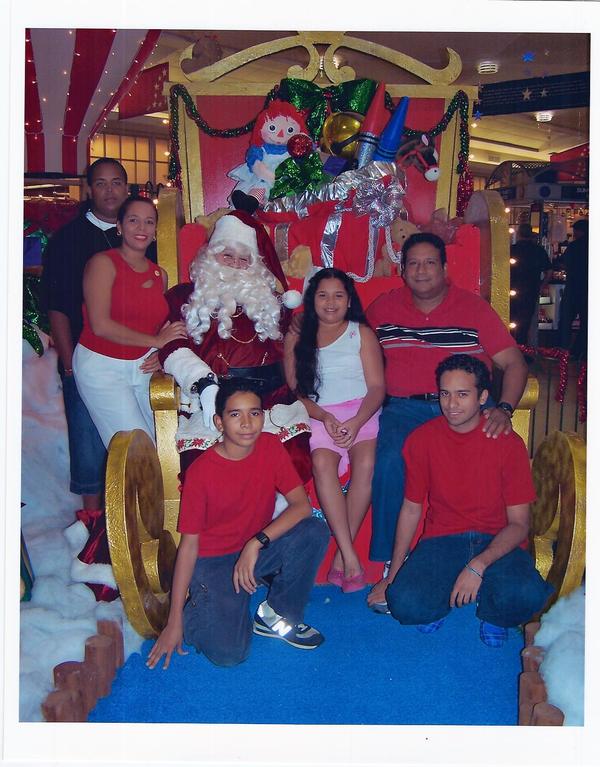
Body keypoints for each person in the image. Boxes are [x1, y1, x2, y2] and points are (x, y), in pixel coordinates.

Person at [366, 232, 528, 610]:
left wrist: (504, 408)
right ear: (402, 270)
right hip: (404, 409)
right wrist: (303, 330)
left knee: (491, 457)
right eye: (413, 263)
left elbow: (514, 363)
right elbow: (344, 336)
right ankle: (393, 563)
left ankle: (490, 559)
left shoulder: (473, 309)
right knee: (388, 461)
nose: (421, 270)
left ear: (444, 267)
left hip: (466, 408)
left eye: (430, 263)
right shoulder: (383, 308)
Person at [367, 354, 553, 646]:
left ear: (483, 397)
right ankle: (442, 597)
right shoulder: (421, 439)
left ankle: (492, 612)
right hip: (443, 538)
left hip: (498, 540)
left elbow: (519, 525)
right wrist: (394, 574)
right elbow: (411, 509)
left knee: (527, 595)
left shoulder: (507, 442)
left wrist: (478, 564)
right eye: (445, 394)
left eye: (462, 394)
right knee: (404, 604)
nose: (451, 404)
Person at [146, 379, 329, 669]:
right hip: (214, 563)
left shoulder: (270, 446)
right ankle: (199, 610)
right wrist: (174, 621)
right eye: (235, 414)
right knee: (230, 654)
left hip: (254, 551)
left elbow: (301, 506)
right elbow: (189, 547)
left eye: (254, 413)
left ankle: (277, 614)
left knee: (314, 531)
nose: (246, 423)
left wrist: (256, 542)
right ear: (219, 422)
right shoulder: (201, 473)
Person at [158, 210, 311, 484]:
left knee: (291, 466)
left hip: (271, 402)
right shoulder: (183, 297)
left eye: (244, 259)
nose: (236, 265)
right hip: (212, 400)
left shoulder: (271, 302)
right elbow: (172, 345)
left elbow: (299, 346)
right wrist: (203, 383)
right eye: (227, 256)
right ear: (210, 257)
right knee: (207, 475)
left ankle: (274, 509)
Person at [43, 158, 158, 515]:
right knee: (89, 444)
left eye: (117, 182)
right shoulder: (69, 239)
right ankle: (95, 523)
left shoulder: (145, 240)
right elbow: (57, 304)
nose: (110, 191)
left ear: (127, 187)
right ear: (89, 189)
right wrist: (68, 363)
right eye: (101, 183)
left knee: (141, 441)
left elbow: (158, 308)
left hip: (136, 360)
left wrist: (159, 349)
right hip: (91, 356)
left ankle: (134, 519)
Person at [284, 268, 385, 592]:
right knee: (322, 463)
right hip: (318, 415)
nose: (331, 302)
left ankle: (343, 557)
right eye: (323, 295)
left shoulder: (361, 333)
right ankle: (350, 557)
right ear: (311, 300)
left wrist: (356, 422)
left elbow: (377, 387)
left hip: (362, 413)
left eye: (338, 295)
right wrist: (325, 416)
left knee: (367, 463)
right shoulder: (297, 336)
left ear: (349, 300)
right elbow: (296, 392)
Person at [72, 196, 187, 447]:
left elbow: (159, 326)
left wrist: (160, 351)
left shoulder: (159, 274)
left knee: (166, 441)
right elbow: (100, 325)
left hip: (142, 366)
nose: (141, 228)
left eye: (149, 222)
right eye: (133, 220)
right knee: (137, 446)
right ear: (120, 226)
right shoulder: (102, 263)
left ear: (155, 230)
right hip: (102, 366)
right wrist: (156, 341)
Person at [509, 223, 552, 345]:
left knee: (511, 319)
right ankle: (523, 346)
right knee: (526, 321)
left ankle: (511, 344)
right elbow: (549, 271)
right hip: (531, 290)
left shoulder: (512, 249)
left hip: (512, 289)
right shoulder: (539, 250)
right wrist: (541, 286)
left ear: (518, 234)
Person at [557, 218, 588, 358]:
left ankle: (562, 349)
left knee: (566, 319)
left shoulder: (574, 246)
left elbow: (563, 263)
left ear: (579, 231)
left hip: (574, 287)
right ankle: (580, 350)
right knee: (586, 322)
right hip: (587, 288)